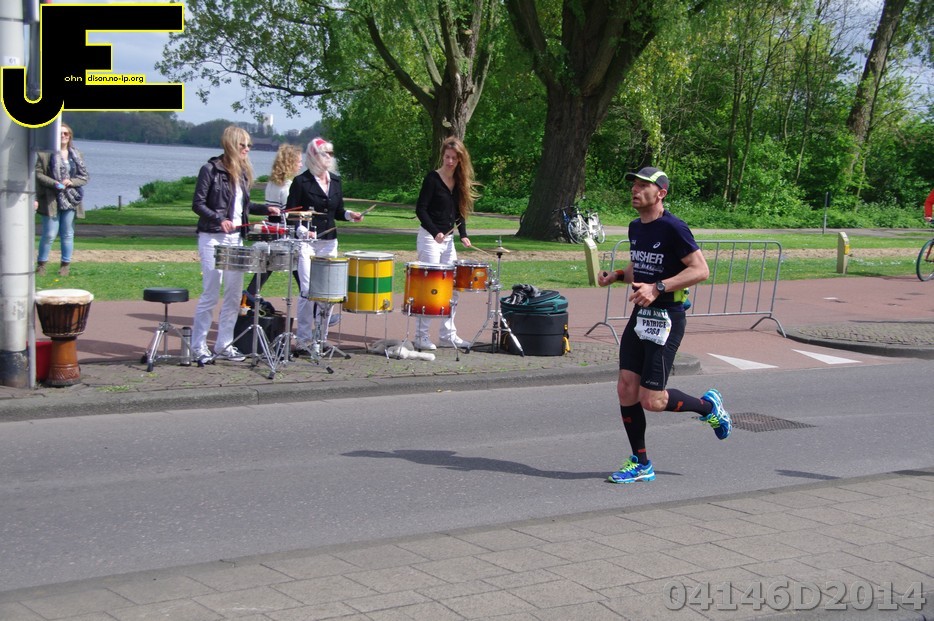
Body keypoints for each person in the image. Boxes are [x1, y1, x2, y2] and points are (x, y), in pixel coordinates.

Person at [596, 166, 731, 484]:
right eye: (634, 185)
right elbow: (640, 265)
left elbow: (700, 270)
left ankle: (707, 407)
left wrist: (658, 288)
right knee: (626, 388)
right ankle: (641, 462)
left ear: (661, 193)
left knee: (652, 401)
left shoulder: (674, 228)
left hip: (667, 318)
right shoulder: (635, 227)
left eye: (643, 186)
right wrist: (617, 275)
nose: (635, 190)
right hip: (641, 316)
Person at [190, 125, 280, 363]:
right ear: (231, 144)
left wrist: (266, 209)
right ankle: (198, 346)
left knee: (233, 295)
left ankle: (224, 344)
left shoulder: (242, 173)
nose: (247, 149)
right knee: (210, 293)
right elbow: (198, 204)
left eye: (249, 145)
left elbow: (242, 208)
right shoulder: (211, 169)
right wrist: (219, 219)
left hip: (236, 239)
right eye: (243, 145)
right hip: (213, 237)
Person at [286, 137, 363, 352]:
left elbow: (338, 211)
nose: (329, 157)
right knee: (307, 290)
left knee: (327, 292)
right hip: (306, 243)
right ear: (313, 156)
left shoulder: (335, 181)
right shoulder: (301, 182)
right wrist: (303, 231)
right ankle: (303, 339)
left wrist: (350, 215)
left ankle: (321, 338)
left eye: (330, 153)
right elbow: (290, 214)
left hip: (329, 242)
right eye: (324, 153)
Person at [412, 136, 480, 351]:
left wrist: (463, 234)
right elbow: (420, 209)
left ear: (460, 160)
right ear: (443, 156)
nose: (450, 161)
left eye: (454, 158)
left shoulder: (459, 182)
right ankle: (421, 336)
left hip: (448, 241)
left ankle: (447, 335)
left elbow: (460, 212)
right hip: (429, 238)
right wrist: (435, 232)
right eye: (447, 157)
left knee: (453, 287)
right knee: (430, 286)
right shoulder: (432, 179)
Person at [244, 143, 304, 300]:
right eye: (298, 161)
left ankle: (249, 296)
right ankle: (311, 302)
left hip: (271, 231)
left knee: (267, 267)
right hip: (283, 234)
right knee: (298, 268)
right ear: (290, 163)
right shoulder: (288, 186)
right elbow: (289, 216)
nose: (301, 165)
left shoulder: (272, 183)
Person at [34, 123, 89, 277]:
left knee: (67, 234)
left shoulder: (76, 154)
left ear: (70, 136)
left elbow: (84, 177)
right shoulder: (45, 154)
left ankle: (65, 266)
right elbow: (38, 175)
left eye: (66, 133)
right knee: (49, 234)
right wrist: (55, 184)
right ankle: (41, 265)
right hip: (51, 199)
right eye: (60, 133)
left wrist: (71, 182)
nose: (63, 136)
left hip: (71, 199)